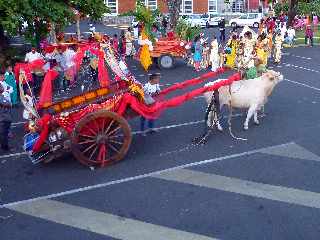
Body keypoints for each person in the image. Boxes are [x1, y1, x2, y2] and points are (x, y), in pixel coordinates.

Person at [0, 72, 12, 151]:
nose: (2, 88)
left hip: (4, 117)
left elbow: (10, 88)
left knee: (3, 133)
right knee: (3, 133)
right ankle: (5, 147)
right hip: (3, 118)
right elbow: (7, 104)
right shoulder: (1, 97)